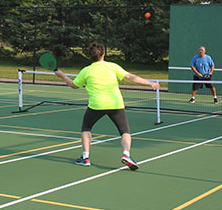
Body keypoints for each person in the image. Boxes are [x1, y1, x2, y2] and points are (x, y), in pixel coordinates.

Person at [54, 42, 159, 170]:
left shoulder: (86, 70)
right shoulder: (113, 66)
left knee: (86, 128)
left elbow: (74, 85)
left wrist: (62, 75)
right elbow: (130, 77)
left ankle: (85, 157)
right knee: (125, 131)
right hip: (116, 103)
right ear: (103, 54)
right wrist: (149, 83)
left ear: (90, 56)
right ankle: (126, 154)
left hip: (96, 105)